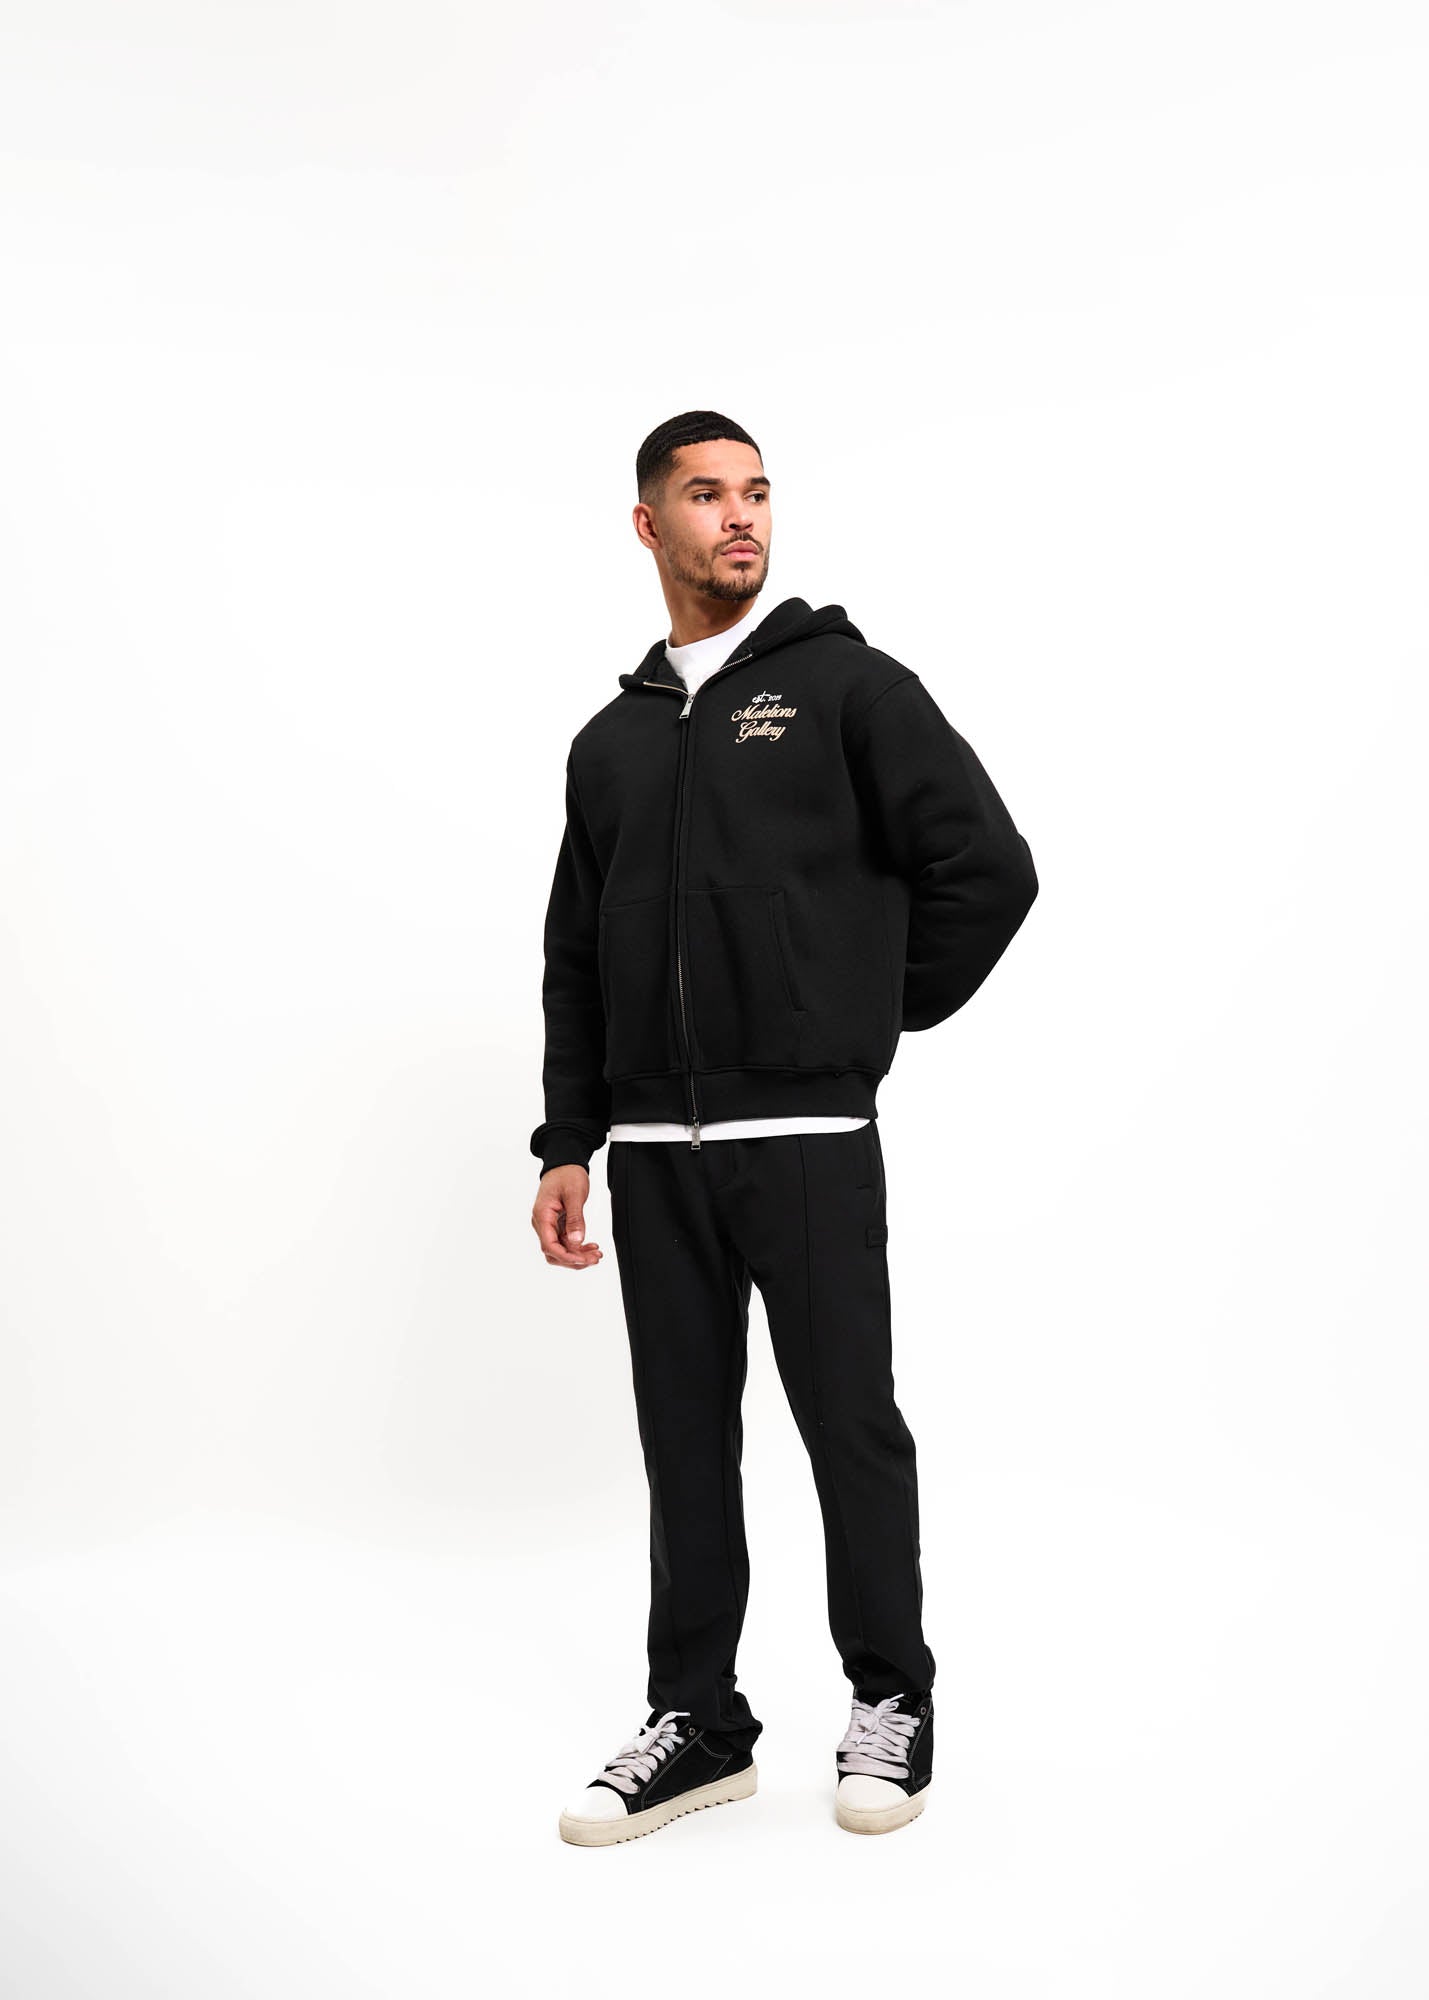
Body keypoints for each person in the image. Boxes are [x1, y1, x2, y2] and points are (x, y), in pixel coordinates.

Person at [530, 410, 1038, 1846]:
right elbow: (575, 954)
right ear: (650, 525)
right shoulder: (610, 744)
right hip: (655, 1153)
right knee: (683, 1438)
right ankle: (698, 1719)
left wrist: (851, 1013)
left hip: (807, 1131)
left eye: (755, 491)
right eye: (706, 495)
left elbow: (989, 869)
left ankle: (890, 1698)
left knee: (846, 1425)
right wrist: (568, 1140)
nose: (740, 515)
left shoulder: (848, 688)